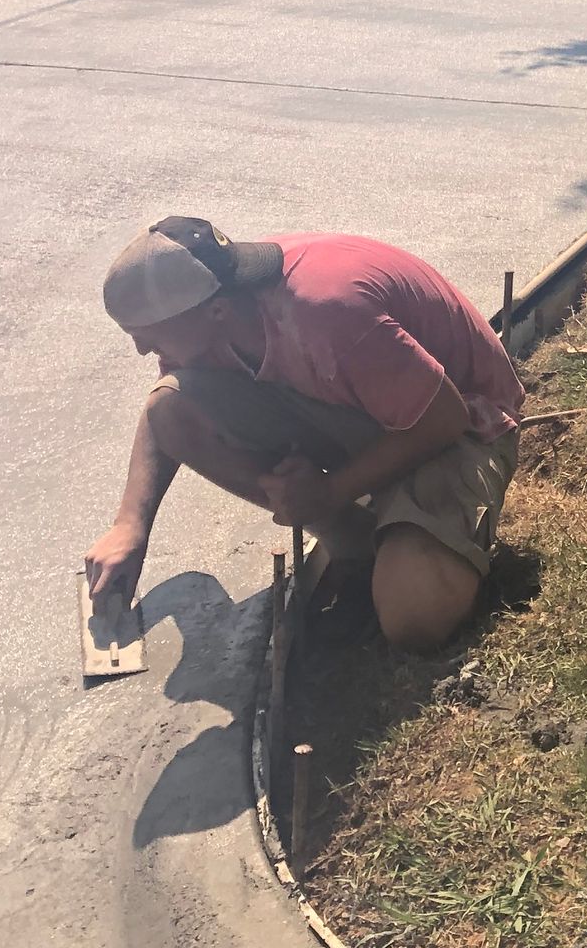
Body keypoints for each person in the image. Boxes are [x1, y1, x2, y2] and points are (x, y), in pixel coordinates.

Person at [85, 217, 522, 650]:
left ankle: (414, 549)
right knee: (174, 408)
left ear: (215, 311)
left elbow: (443, 418)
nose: (141, 349)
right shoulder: (218, 303)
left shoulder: (328, 312)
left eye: (146, 336)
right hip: (372, 403)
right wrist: (130, 525)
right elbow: (165, 409)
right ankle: (357, 542)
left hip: (462, 420)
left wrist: (330, 491)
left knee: (414, 618)